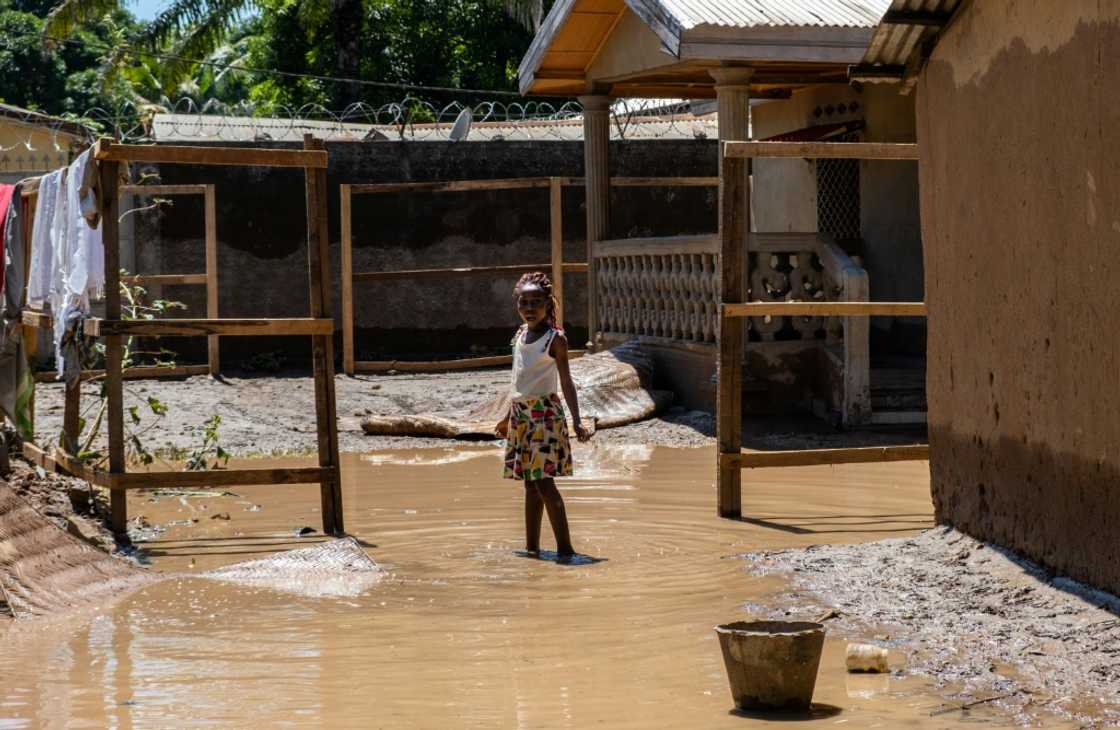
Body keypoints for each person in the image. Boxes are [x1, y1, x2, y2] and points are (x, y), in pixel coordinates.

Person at [496, 272, 592, 560]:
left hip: (544, 416)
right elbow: (517, 382)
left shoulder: (555, 339)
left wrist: (577, 420)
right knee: (530, 484)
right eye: (524, 302)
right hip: (521, 416)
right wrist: (507, 417)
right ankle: (532, 548)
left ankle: (566, 550)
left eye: (536, 302)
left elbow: (567, 382)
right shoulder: (520, 335)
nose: (529, 308)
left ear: (548, 304)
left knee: (544, 483)